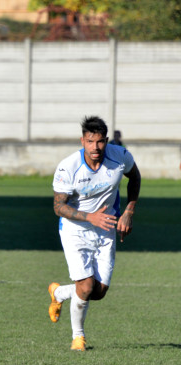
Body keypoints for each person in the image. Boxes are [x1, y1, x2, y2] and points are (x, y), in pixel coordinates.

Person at [47, 116, 141, 351]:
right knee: (86, 287)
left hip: (105, 230)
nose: (95, 147)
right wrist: (90, 217)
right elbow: (58, 207)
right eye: (90, 142)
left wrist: (129, 210)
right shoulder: (68, 167)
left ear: (106, 140)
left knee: (98, 292)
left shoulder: (120, 157)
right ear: (82, 141)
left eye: (100, 142)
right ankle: (78, 338)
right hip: (75, 230)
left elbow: (135, 177)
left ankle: (59, 292)